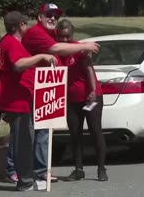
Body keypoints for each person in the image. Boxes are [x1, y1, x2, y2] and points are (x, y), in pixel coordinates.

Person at [6, 2, 100, 184]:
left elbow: (65, 46)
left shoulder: (52, 34)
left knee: (43, 131)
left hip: (46, 89)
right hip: (28, 89)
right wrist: (84, 46)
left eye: (55, 16)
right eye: (48, 15)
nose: (52, 18)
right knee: (25, 131)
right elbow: (57, 49)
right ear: (39, 17)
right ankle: (13, 169)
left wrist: (82, 50)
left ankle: (41, 172)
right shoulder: (36, 33)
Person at [0, 11, 57, 191]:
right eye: (25, 23)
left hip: (19, 98)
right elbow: (18, 64)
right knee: (23, 141)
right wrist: (41, 57)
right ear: (19, 26)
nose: (27, 27)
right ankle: (25, 181)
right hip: (17, 100)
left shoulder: (8, 42)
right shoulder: (10, 43)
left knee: (24, 139)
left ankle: (27, 178)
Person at [55, 19, 108, 182]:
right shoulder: (57, 51)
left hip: (90, 97)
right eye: (61, 37)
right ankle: (78, 169)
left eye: (67, 36)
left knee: (95, 131)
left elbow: (89, 70)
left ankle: (101, 168)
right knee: (75, 134)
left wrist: (92, 90)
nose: (64, 40)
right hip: (72, 100)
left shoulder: (79, 50)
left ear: (72, 34)